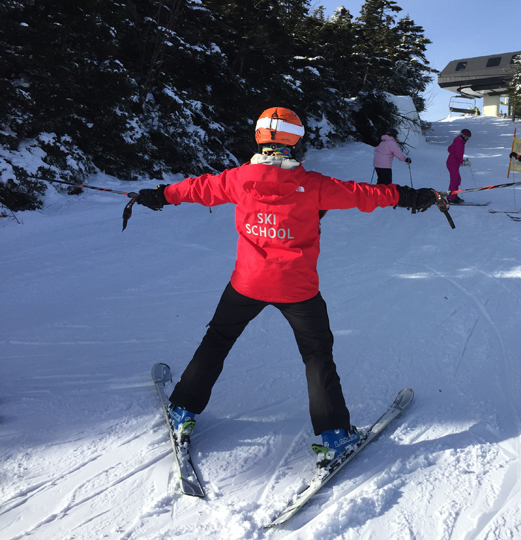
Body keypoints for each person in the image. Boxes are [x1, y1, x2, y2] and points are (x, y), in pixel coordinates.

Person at [135, 107, 437, 465]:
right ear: (295, 139)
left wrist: (161, 194)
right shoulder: (315, 185)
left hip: (246, 283)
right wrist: (408, 196)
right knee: (317, 356)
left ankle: (183, 411)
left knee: (217, 341)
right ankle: (335, 436)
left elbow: (198, 188)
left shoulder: (238, 179)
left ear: (259, 137)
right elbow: (363, 194)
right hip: (298, 289)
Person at [446, 128, 471, 204]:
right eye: (466, 138)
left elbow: (450, 149)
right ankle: (450, 197)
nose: (467, 140)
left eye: (468, 138)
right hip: (452, 163)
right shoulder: (459, 143)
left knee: (457, 180)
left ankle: (454, 195)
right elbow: (457, 155)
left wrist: (461, 161)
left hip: (454, 164)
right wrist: (463, 162)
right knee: (454, 180)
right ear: (463, 136)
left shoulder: (459, 142)